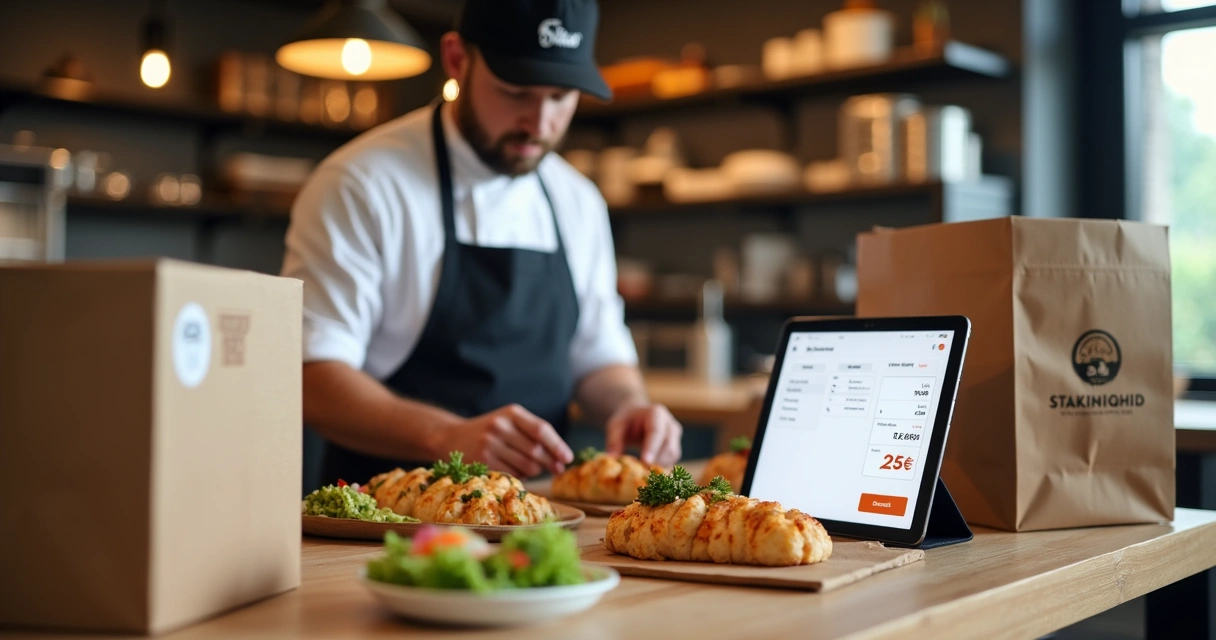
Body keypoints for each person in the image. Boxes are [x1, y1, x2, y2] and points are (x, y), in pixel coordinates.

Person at [281, 0, 683, 483]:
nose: (540, 123)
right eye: (516, 91)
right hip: (384, 516)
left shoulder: (578, 201)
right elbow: (313, 377)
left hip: (542, 513)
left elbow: (599, 357)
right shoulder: (363, 184)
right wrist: (447, 436)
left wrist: (630, 405)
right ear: (457, 60)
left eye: (561, 97)